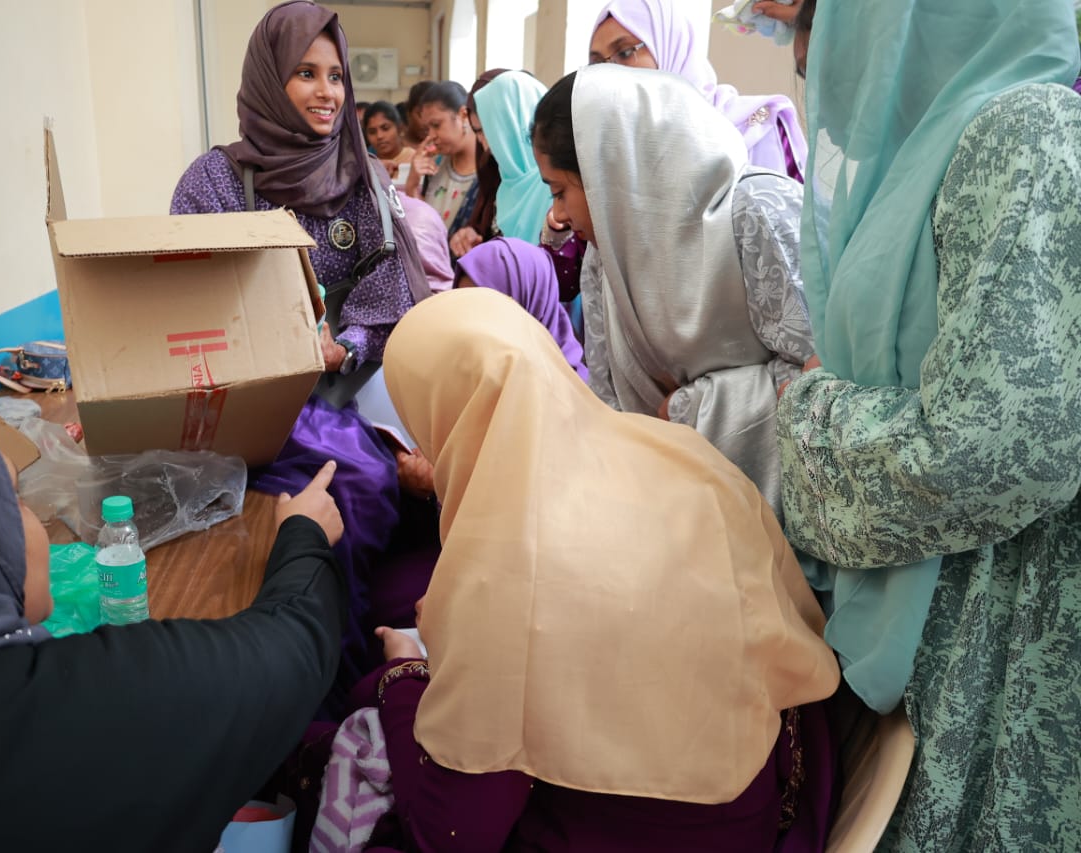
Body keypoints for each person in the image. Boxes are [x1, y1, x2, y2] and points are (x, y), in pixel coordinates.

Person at [356, 289, 841, 851]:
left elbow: (453, 832)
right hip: (761, 795)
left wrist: (406, 674)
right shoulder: (681, 455)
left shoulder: (503, 573)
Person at [775, 0, 1081, 848]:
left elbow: (1002, 451)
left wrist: (811, 412)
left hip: (1000, 624)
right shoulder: (927, 154)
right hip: (936, 608)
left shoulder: (1026, 132)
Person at [0, 393, 348, 852]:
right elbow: (293, 643)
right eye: (9, 501)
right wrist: (304, 532)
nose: (36, 526)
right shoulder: (71, 715)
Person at [169, 0, 431, 714]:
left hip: (350, 395)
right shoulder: (214, 183)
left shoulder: (363, 178)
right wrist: (267, 343)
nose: (327, 92)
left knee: (363, 480)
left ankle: (335, 684)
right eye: (305, 74)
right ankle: (291, 685)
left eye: (337, 75)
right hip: (244, 395)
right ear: (266, 80)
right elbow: (185, 299)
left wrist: (341, 346)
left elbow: (387, 301)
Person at [532, 66, 814, 518]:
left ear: (612, 171)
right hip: (671, 506)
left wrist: (691, 408)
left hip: (787, 512)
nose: (559, 215)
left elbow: (827, 377)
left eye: (561, 190)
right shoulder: (605, 260)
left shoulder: (754, 212)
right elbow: (612, 406)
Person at [590, 0, 805, 182]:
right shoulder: (605, 148)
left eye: (626, 52)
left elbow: (788, 225)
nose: (610, 71)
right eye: (598, 63)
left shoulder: (756, 126)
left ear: (672, 48)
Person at [449, 70, 553, 257]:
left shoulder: (555, 186)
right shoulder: (507, 185)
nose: (486, 145)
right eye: (478, 132)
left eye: (489, 131)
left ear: (514, 124)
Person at [456, 237, 586, 380]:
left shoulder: (565, 391)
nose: (467, 326)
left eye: (484, 313)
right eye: (462, 309)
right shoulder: (456, 364)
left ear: (531, 307)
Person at [403, 81, 481, 240]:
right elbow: (423, 231)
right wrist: (413, 181)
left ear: (463, 116)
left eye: (436, 125)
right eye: (427, 129)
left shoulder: (489, 171)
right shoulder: (435, 164)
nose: (431, 136)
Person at [362, 100, 414, 180]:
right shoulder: (366, 166)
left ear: (399, 128)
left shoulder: (414, 159)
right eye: (372, 132)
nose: (379, 136)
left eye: (385, 128)